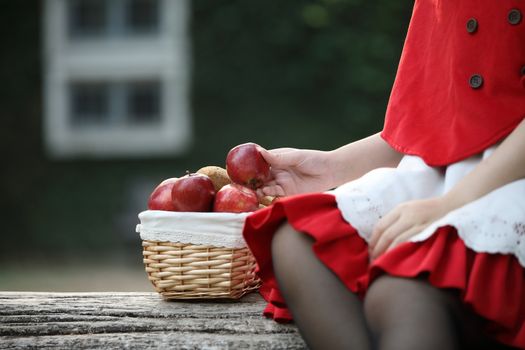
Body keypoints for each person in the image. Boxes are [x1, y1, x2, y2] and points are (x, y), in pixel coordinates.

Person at [242, 1, 525, 349]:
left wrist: (451, 203)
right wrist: (332, 167)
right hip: (448, 173)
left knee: (403, 291)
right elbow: (438, 115)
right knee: (299, 242)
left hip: (510, 178)